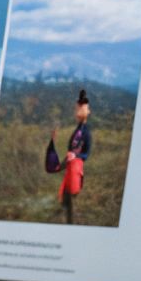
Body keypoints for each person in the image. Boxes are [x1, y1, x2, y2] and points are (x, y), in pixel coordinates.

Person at [56, 89, 93, 224]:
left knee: (72, 197)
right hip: (70, 169)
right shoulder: (78, 130)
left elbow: (86, 154)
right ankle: (66, 219)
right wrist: (62, 164)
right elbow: (71, 149)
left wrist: (76, 155)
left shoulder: (86, 133)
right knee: (66, 199)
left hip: (76, 171)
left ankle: (71, 222)